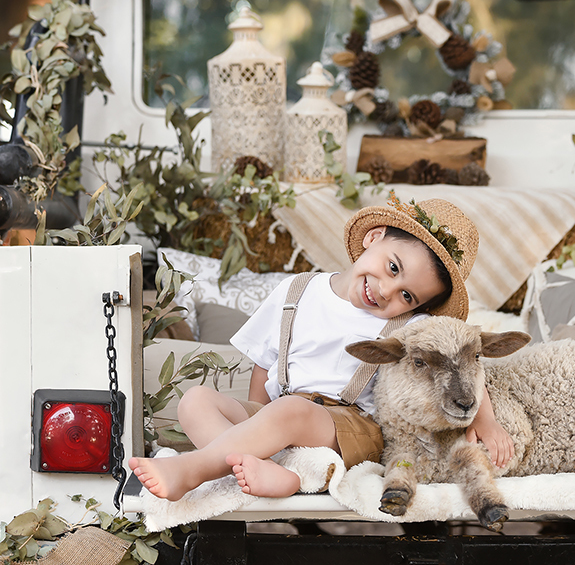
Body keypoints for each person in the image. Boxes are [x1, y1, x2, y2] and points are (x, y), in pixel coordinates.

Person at [129, 197, 514, 501]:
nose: (386, 291)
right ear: (373, 237)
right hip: (284, 412)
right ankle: (271, 470)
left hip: (349, 427)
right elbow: (265, 366)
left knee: (290, 410)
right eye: (393, 269)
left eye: (407, 295)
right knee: (195, 401)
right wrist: (256, 424)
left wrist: (486, 420)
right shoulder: (297, 290)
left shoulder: (412, 328)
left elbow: (460, 362)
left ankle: (194, 469)